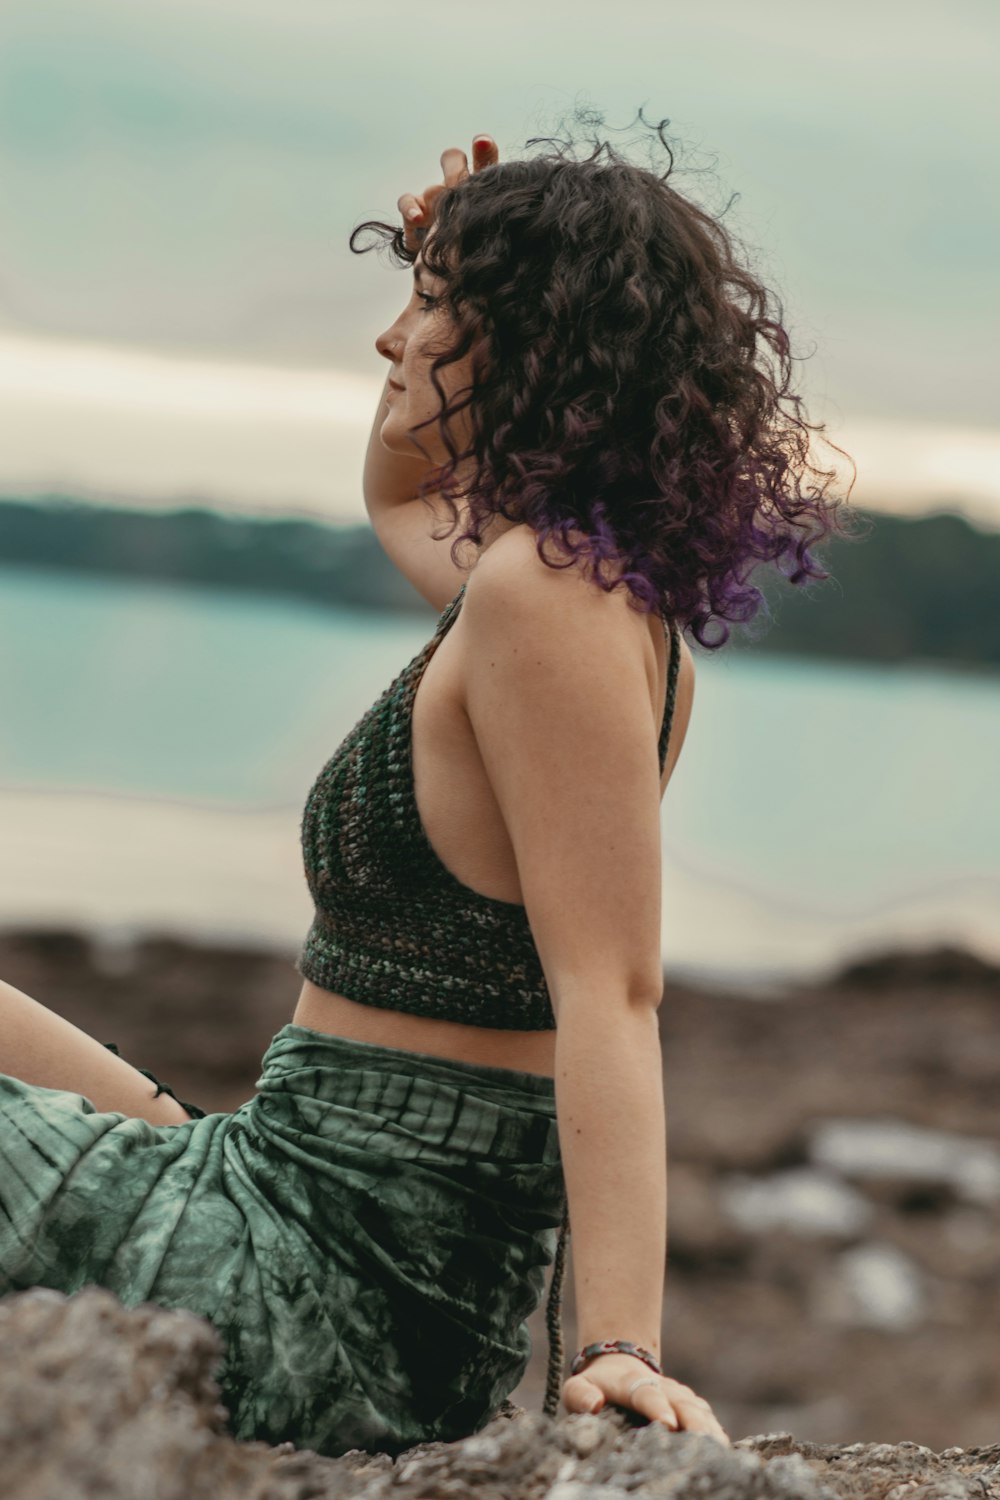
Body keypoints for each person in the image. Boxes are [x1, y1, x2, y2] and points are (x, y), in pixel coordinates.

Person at [0, 116, 858, 1459]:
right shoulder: (557, 591)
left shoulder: (549, 607)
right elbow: (399, 491)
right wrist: (441, 247)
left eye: (430, 306)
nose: (389, 339)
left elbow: (613, 993)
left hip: (326, 1300)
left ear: (531, 341)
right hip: (282, 1189)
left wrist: (617, 1348)